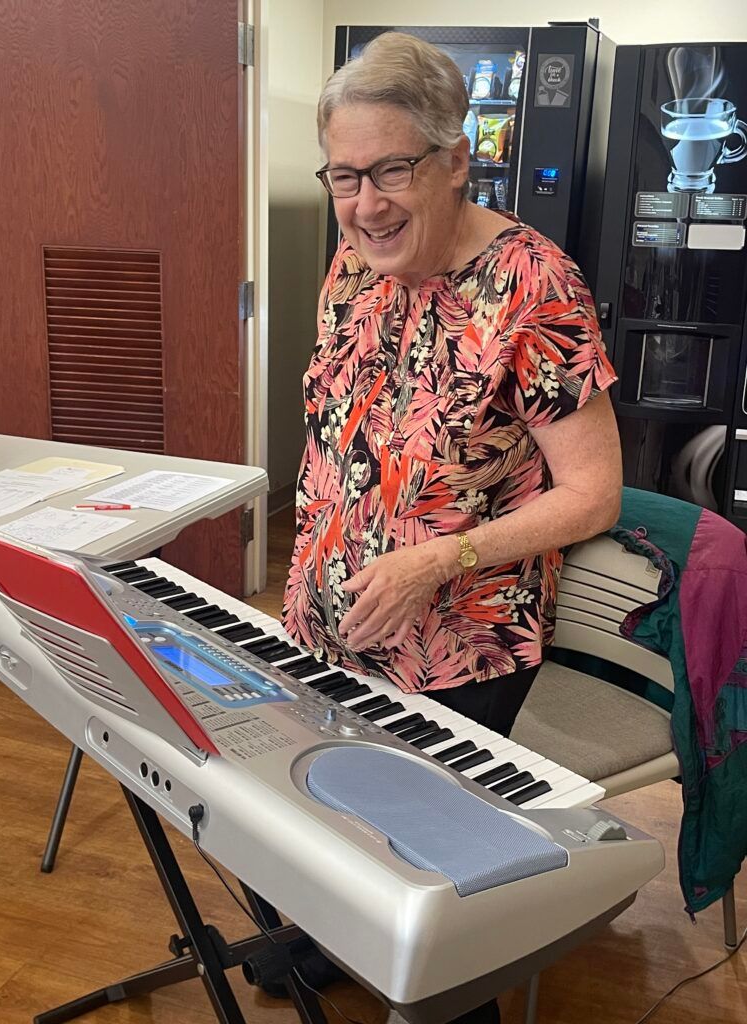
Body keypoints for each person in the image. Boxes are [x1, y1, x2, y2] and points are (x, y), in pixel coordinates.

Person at [282, 32, 622, 1024]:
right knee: (328, 832)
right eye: (345, 175)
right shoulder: (350, 264)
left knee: (432, 892)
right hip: (330, 620)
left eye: (392, 169)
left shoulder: (535, 287)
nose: (366, 202)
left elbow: (594, 493)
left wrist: (441, 557)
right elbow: (337, 438)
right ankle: (333, 950)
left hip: (460, 646)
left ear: (456, 159)